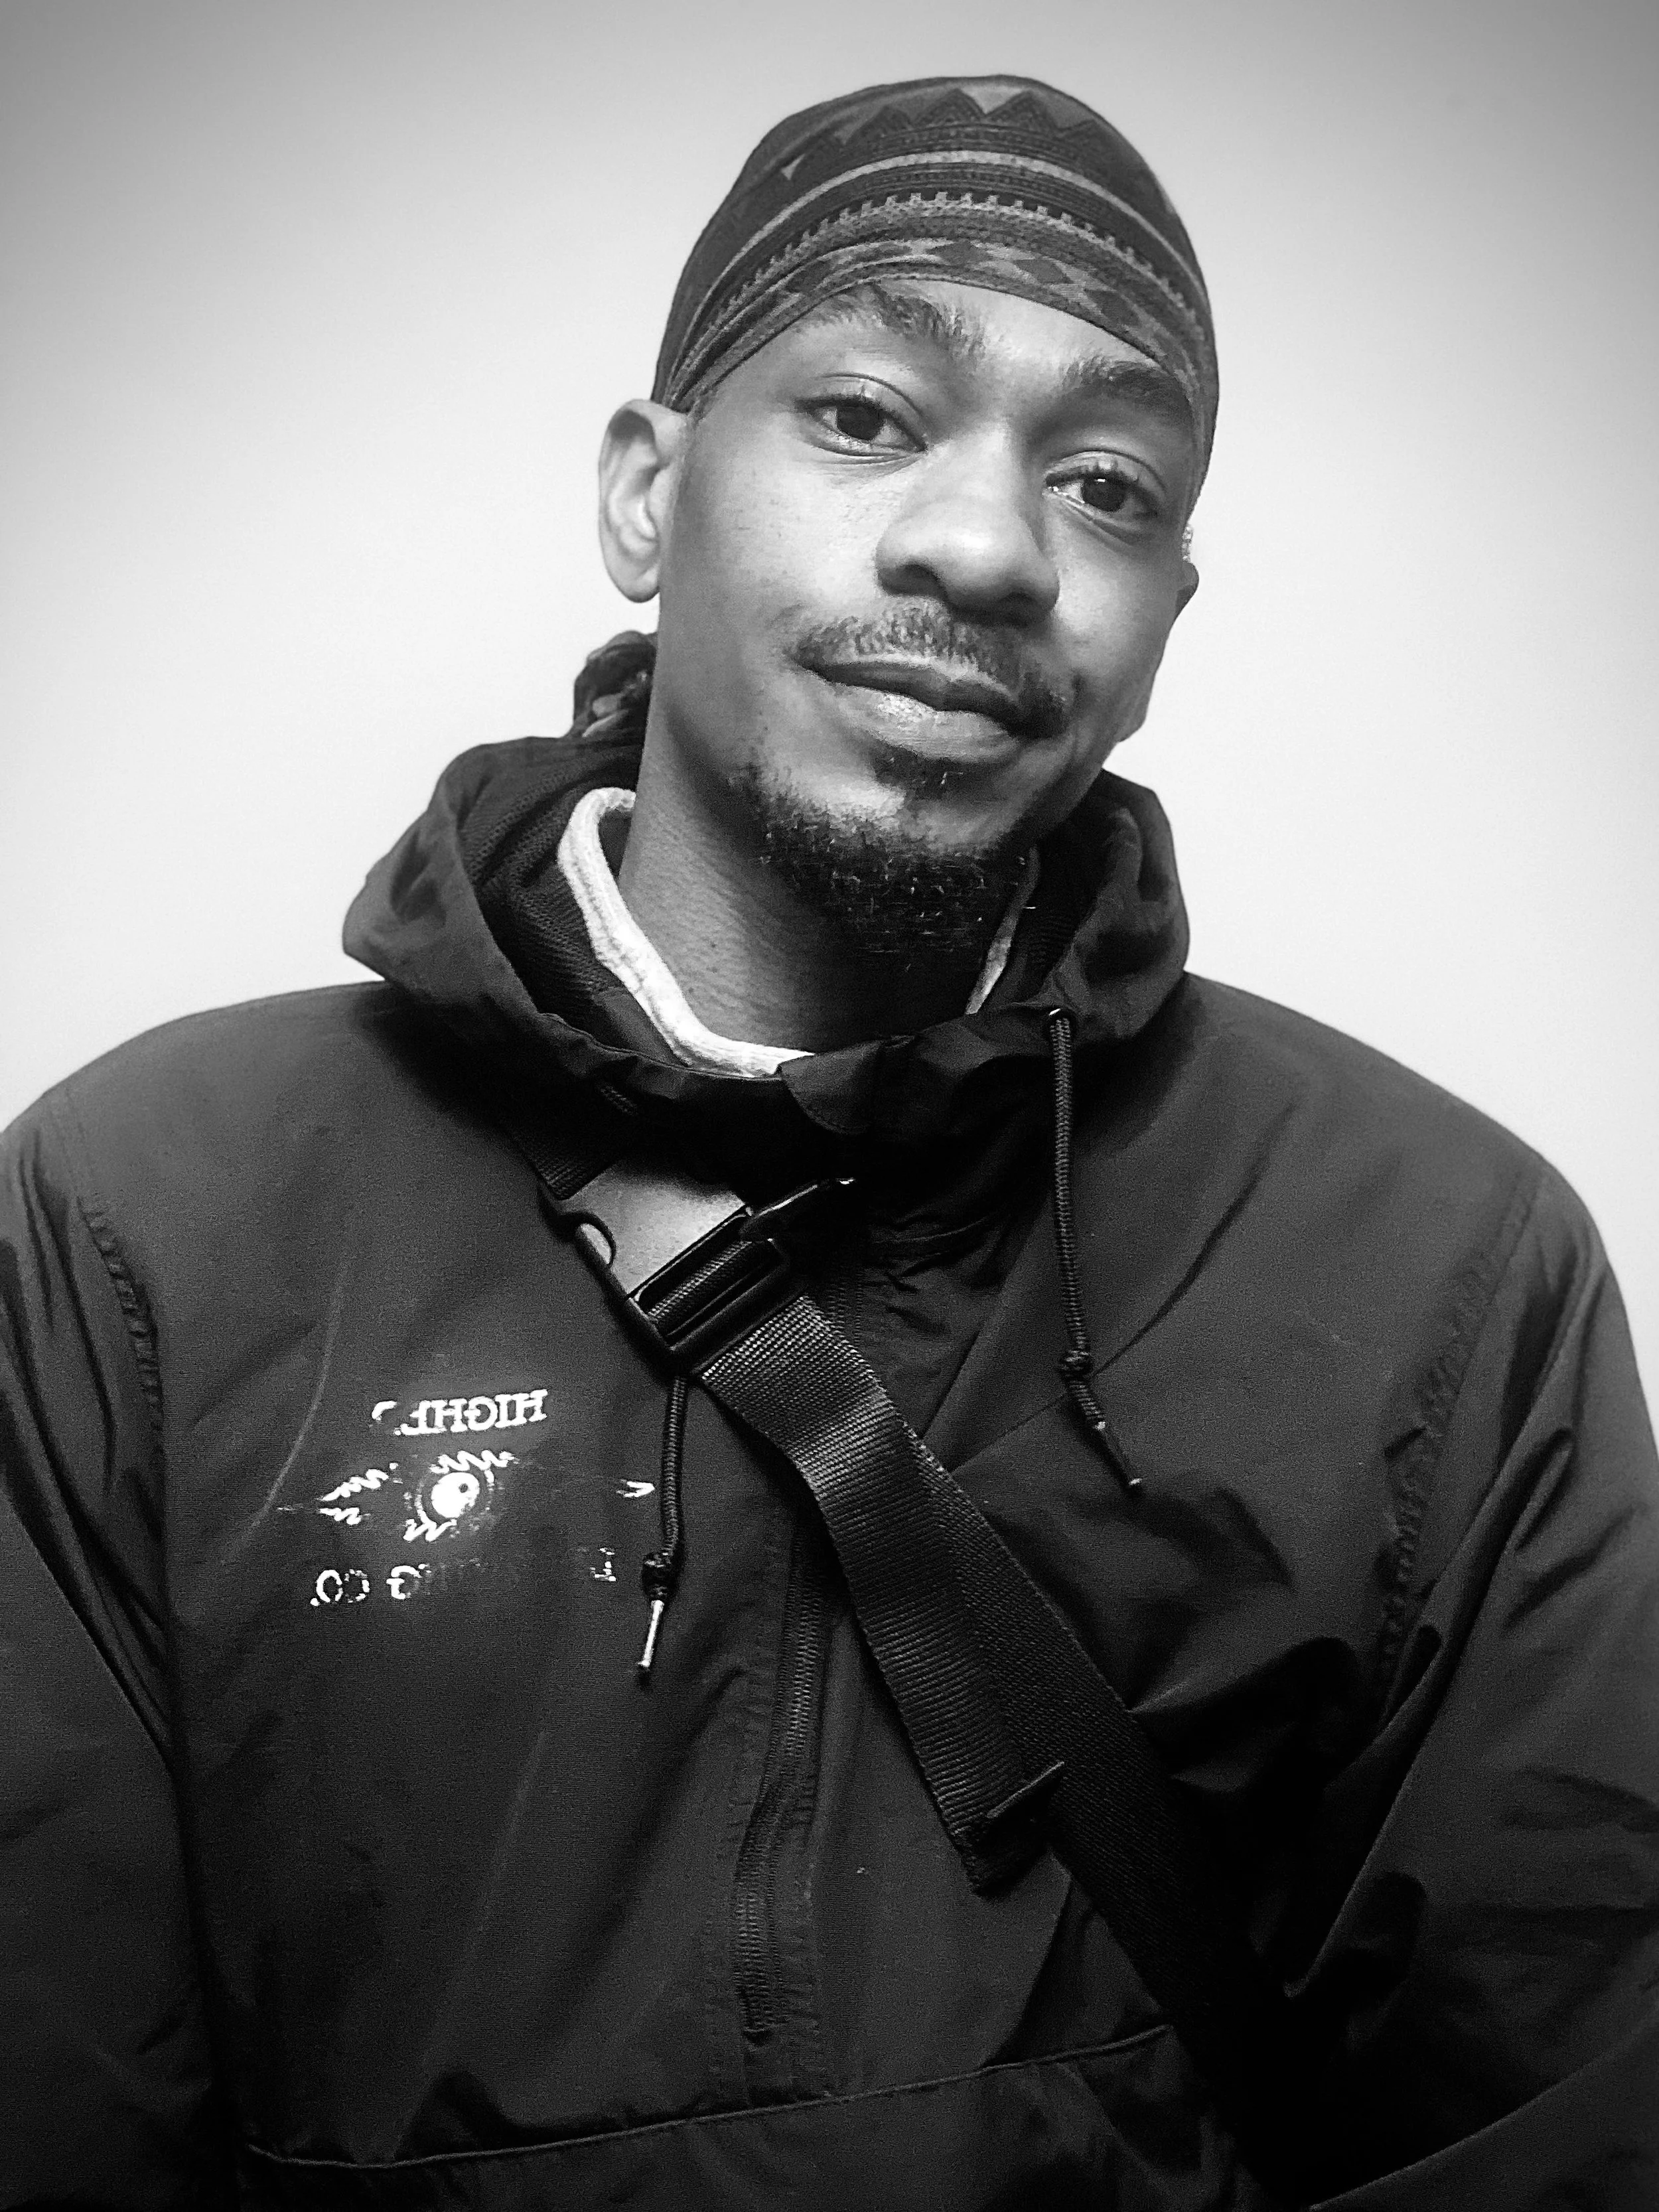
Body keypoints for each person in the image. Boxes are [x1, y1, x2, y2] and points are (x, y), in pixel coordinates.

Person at [1, 72, 1655, 2212]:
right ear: (644, 495)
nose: (985, 546)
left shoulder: (1440, 1260)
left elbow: (1563, 2117)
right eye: (867, 416)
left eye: (1104, 481)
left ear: (1164, 619)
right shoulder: (145, 1221)